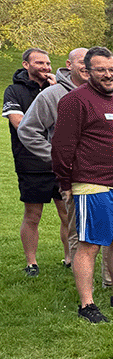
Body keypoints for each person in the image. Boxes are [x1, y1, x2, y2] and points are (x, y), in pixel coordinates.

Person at [52, 47, 113, 322]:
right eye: (101, 70)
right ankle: (87, 305)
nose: (108, 75)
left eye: (112, 69)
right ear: (87, 71)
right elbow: (61, 146)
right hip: (91, 184)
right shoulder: (75, 100)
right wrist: (65, 182)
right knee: (89, 245)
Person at [18, 47, 92, 273]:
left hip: (98, 174)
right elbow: (27, 130)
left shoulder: (101, 92)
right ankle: (78, 280)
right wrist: (57, 156)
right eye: (82, 61)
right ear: (69, 65)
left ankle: (110, 282)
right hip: (62, 172)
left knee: (97, 227)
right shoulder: (53, 95)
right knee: (66, 222)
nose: (88, 66)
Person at [4, 47, 61, 276]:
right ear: (26, 65)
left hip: (59, 162)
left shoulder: (58, 89)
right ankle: (32, 263)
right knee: (33, 215)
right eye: (39, 63)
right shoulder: (14, 91)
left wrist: (57, 90)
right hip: (31, 161)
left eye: (48, 64)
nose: (46, 68)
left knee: (68, 213)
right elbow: (20, 124)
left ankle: (70, 258)